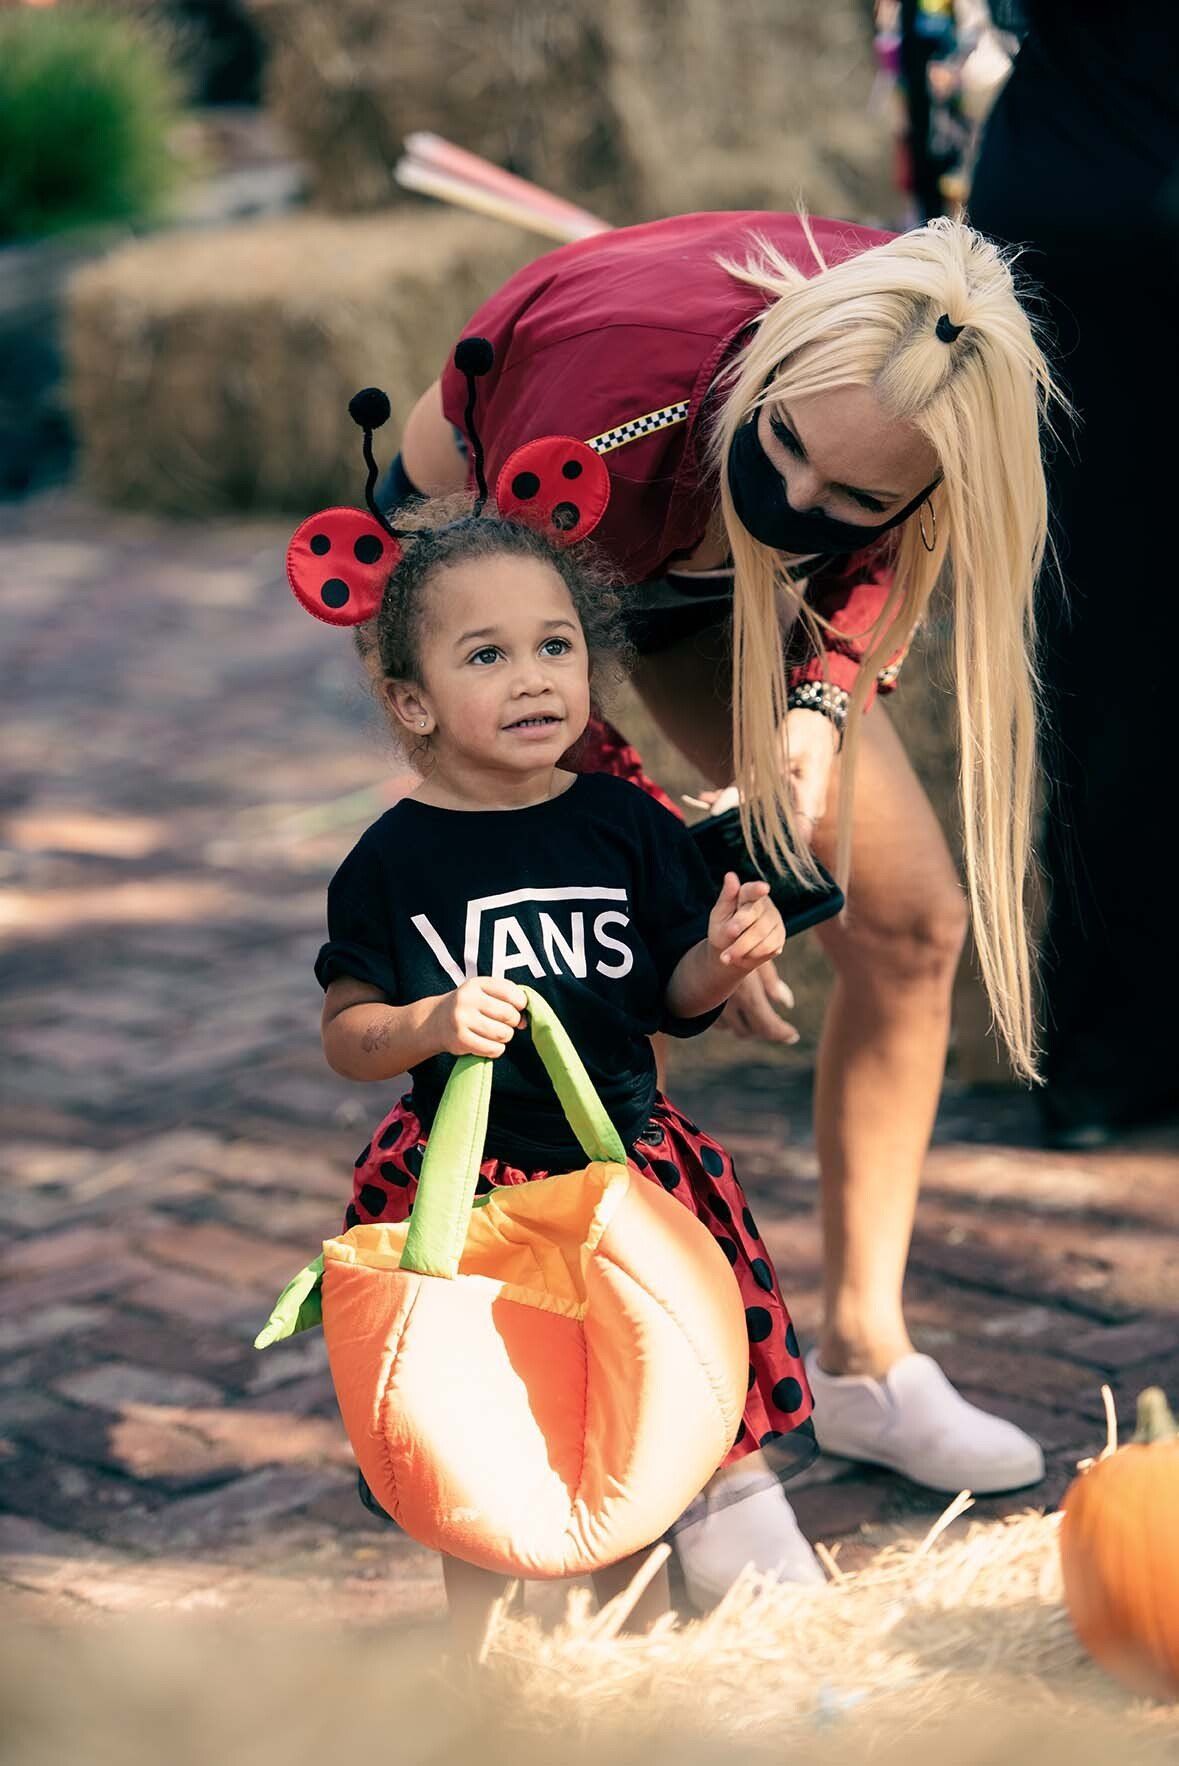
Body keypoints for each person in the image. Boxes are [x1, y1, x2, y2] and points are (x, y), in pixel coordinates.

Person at [372, 208, 1056, 1580]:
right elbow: (539, 691)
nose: (795, 494)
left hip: (702, 586)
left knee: (913, 918)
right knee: (596, 976)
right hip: (509, 559)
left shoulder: (932, 370)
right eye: (788, 440)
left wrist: (814, 703)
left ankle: (864, 1357)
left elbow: (876, 562)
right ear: (784, 362)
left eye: (850, 492)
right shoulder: (610, 392)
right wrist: (676, 903)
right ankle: (690, 1448)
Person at [313, 495, 817, 1644]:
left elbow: (668, 997)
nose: (533, 676)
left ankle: (723, 1521)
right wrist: (429, 1020)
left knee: (688, 1341)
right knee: (478, 1391)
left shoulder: (623, 824)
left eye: (557, 644)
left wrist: (721, 953)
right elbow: (349, 1035)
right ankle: (497, 1625)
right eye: (485, 654)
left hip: (631, 1158)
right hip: (468, 1174)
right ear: (413, 701)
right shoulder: (389, 863)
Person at [969, 0, 1179, 1144]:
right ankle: (1110, 1048)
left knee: (1094, 645)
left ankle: (1108, 1053)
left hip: (1073, 182)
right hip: (1094, 203)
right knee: (1097, 648)